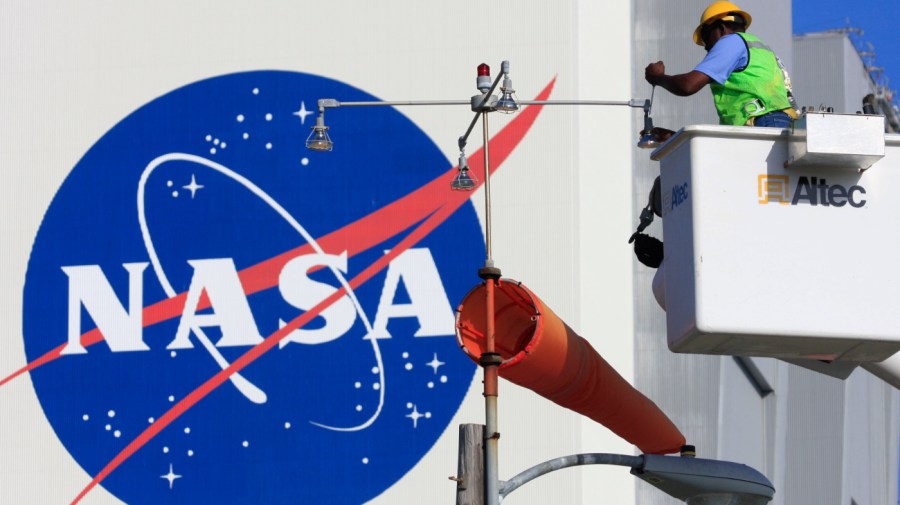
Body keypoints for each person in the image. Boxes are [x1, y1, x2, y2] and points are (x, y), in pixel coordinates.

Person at [644, 1, 798, 130]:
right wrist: (673, 137)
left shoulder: (731, 41)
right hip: (772, 121)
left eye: (705, 38)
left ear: (721, 29)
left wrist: (658, 78)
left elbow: (688, 85)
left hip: (764, 121)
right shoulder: (760, 49)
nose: (705, 47)